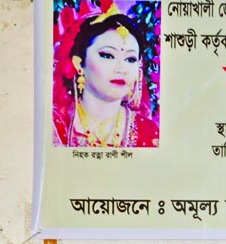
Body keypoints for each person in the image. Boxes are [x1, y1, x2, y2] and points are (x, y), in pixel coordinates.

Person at [52, 2, 159, 147]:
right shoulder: (54, 125)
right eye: (108, 55)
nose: (122, 69)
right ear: (79, 63)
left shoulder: (148, 132)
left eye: (130, 59)